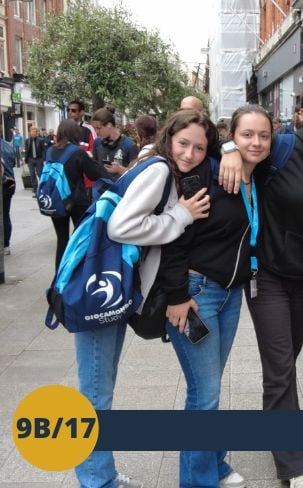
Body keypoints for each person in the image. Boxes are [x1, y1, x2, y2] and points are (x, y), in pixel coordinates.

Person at [72, 109, 213, 488]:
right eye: (184, 143)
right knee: (96, 393)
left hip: (106, 282)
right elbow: (122, 227)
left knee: (99, 388)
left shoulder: (152, 159)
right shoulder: (161, 170)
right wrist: (180, 216)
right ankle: (96, 480)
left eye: (200, 148)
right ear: (171, 138)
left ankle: (99, 475)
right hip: (99, 288)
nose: (190, 154)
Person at [219, 76, 303, 488]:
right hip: (267, 276)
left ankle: (280, 429)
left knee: (285, 364)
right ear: (301, 115)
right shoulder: (283, 149)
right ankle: (292, 465)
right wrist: (229, 150)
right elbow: (240, 145)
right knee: (279, 369)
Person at [159, 105, 271, 488]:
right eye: (246, 136)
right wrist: (176, 294)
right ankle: (198, 479)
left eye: (263, 136)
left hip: (230, 295)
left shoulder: (255, 177)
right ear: (230, 138)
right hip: (195, 294)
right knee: (203, 394)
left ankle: (214, 462)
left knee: (210, 386)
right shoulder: (206, 173)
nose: (255, 142)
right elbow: (176, 234)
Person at [47, 120, 109, 270]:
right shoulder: (77, 151)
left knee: (62, 240)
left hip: (56, 199)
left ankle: (59, 277)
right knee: (80, 239)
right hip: (76, 201)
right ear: (75, 133)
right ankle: (76, 275)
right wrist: (90, 158)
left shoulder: (50, 151)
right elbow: (94, 174)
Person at [91, 108, 140, 179]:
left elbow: (136, 175)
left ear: (109, 125)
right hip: (100, 186)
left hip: (120, 187)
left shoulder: (129, 146)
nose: (96, 132)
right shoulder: (98, 142)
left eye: (98, 128)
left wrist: (120, 170)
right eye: (94, 128)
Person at [2, 139, 15, 255]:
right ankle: (6, 244)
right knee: (5, 214)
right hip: (10, 185)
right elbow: (13, 163)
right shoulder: (8, 145)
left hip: (3, 182)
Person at [25, 127, 45, 197]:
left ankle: (42, 188)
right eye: (32, 132)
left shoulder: (41, 140)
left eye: (34, 132)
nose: (33, 133)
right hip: (31, 159)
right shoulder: (27, 140)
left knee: (40, 174)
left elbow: (43, 150)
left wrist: (43, 159)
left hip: (39, 159)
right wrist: (26, 160)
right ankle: (35, 189)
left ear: (37, 133)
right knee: (32, 175)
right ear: (30, 133)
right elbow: (27, 151)